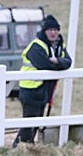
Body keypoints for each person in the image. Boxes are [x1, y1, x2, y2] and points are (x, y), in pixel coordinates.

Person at [14, 14, 72, 147]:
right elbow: (44, 64)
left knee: (36, 121)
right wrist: (58, 64)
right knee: (29, 122)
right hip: (30, 89)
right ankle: (20, 147)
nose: (53, 33)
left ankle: (26, 147)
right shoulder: (36, 45)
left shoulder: (58, 46)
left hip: (43, 90)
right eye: (50, 30)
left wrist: (57, 61)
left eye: (55, 30)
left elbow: (68, 62)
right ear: (45, 31)